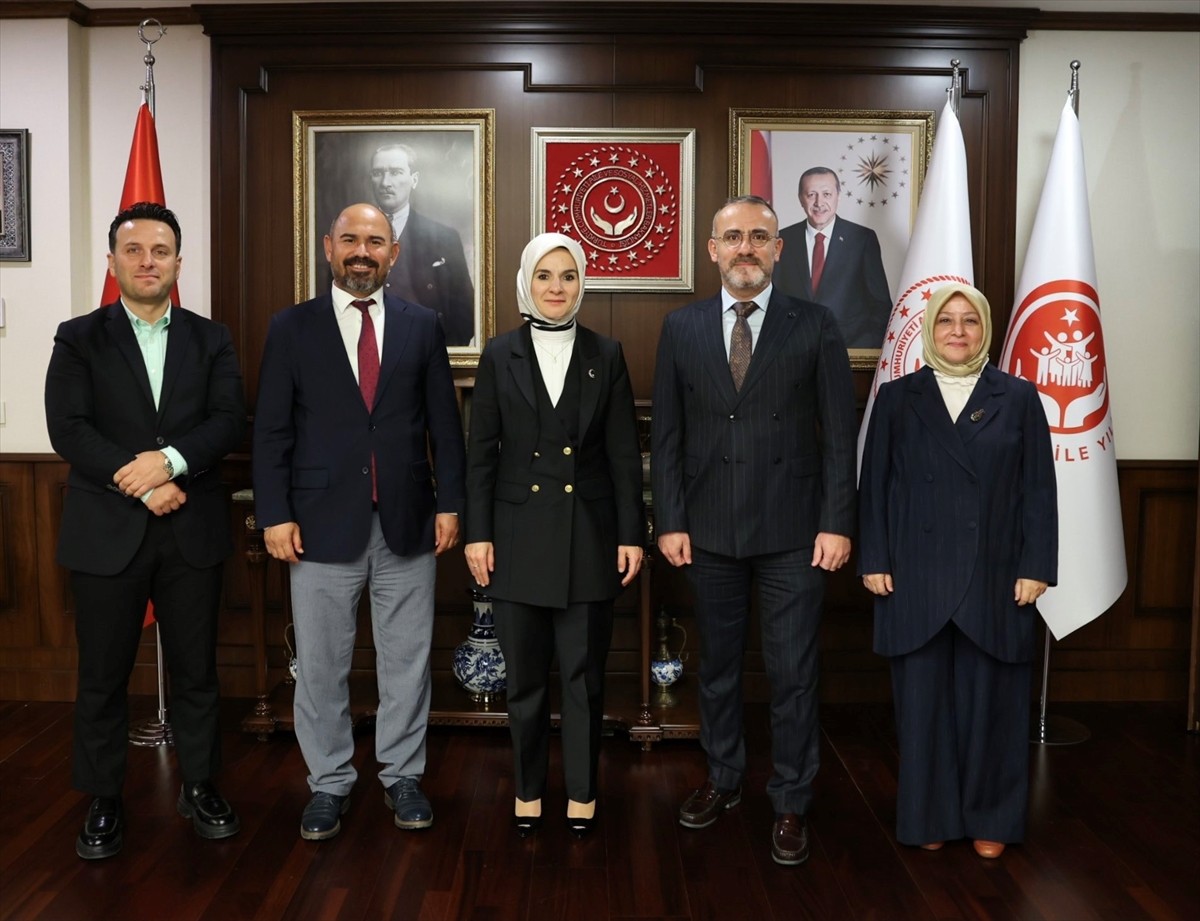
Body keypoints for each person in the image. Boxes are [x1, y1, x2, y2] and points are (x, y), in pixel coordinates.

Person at [651, 195, 858, 866]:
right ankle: (724, 777)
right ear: (713, 249)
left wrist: (837, 522)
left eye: (759, 237)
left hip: (795, 533)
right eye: (734, 236)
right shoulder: (681, 327)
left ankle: (791, 798)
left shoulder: (815, 324)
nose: (746, 247)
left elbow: (839, 435)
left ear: (778, 248)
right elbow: (668, 436)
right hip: (707, 530)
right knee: (717, 668)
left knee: (793, 673)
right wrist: (669, 519)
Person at [252, 202, 466, 842]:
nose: (362, 252)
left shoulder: (422, 325)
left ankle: (403, 776)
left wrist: (450, 503)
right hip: (318, 525)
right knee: (321, 665)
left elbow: (445, 426)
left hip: (407, 520)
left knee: (407, 661)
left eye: (376, 241)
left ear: (393, 253)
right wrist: (274, 514)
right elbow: (271, 432)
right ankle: (329, 782)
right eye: (350, 239)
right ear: (329, 247)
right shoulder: (291, 327)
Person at [45, 201, 246, 859]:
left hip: (191, 528)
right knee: (102, 673)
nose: (147, 261)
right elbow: (68, 428)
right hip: (107, 529)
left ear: (178, 263)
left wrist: (171, 463)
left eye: (160, 251)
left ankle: (201, 784)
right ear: (113, 262)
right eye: (133, 250)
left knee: (196, 669)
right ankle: (104, 797)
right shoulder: (78, 337)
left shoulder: (212, 338)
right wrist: (143, 480)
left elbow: (228, 419)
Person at [857, 282, 1058, 859]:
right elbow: (875, 486)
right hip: (913, 576)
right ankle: (930, 815)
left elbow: (1038, 491)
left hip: (997, 575)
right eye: (946, 320)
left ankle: (993, 817)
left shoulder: (1017, 397)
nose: (958, 331)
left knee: (993, 704)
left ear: (985, 329)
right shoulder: (897, 397)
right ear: (930, 329)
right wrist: (874, 558)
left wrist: (1036, 566)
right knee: (922, 709)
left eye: (970, 320)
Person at [464, 233, 644, 839]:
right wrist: (477, 534)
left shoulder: (607, 353)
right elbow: (480, 456)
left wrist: (630, 534)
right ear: (526, 282)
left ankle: (583, 794)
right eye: (545, 275)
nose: (557, 287)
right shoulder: (499, 354)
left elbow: (623, 455)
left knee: (583, 680)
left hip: (590, 537)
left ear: (581, 283)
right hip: (514, 538)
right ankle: (528, 790)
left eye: (568, 276)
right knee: (524, 682)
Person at [369, 142, 476, 348]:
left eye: (396, 172)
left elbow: (466, 312)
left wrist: (438, 351)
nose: (385, 182)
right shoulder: (350, 237)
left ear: (414, 179)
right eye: (378, 173)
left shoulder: (445, 238)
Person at [774, 166, 892, 349]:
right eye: (811, 194)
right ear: (801, 199)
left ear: (838, 196)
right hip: (794, 351)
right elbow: (774, 300)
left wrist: (861, 351)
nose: (819, 202)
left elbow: (880, 306)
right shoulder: (782, 240)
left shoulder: (862, 239)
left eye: (827, 194)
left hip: (849, 351)